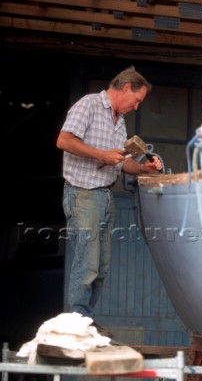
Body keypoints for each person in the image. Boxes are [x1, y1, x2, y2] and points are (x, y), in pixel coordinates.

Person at [56, 66, 162, 327]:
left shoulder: (120, 120)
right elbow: (64, 140)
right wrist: (102, 155)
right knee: (87, 262)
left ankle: (85, 321)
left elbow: (121, 163)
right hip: (82, 193)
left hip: (103, 196)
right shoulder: (89, 104)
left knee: (100, 267)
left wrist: (142, 169)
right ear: (126, 88)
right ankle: (77, 322)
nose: (136, 107)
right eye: (137, 100)